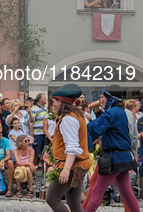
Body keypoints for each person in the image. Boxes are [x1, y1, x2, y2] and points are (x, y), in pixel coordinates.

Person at [83, 85, 140, 212]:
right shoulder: (125, 113)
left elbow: (92, 128)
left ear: (111, 98)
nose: (100, 99)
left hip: (113, 159)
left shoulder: (111, 113)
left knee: (97, 191)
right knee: (127, 193)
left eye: (103, 96)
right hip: (124, 157)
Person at [44, 83, 91, 212]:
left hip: (72, 165)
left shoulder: (68, 119)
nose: (52, 105)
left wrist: (65, 169)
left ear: (61, 101)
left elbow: (72, 146)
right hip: (79, 164)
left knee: (52, 198)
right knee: (73, 200)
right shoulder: (75, 115)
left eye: (54, 101)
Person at [31, 93, 48, 160]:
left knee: (44, 152)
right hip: (37, 134)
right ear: (40, 100)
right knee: (36, 152)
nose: (46, 99)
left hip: (45, 133)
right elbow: (31, 122)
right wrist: (32, 135)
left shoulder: (46, 110)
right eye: (45, 98)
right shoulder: (34, 109)